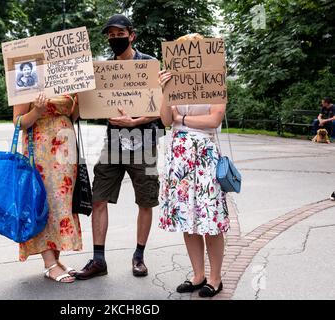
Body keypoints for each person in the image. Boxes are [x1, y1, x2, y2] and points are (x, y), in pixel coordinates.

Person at [74, 14, 162, 280]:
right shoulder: (103, 70)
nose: (115, 39)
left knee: (145, 200)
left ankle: (139, 257)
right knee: (99, 197)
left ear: (131, 35)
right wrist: (80, 92)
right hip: (112, 143)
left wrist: (135, 121)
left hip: (144, 143)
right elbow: (88, 108)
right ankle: (98, 259)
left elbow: (160, 108)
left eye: (119, 34)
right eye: (110, 35)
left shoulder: (149, 65)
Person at [157, 33, 230, 298]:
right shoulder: (173, 82)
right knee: (187, 218)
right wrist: (164, 91)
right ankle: (198, 274)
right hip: (179, 157)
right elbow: (166, 119)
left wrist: (183, 118)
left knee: (209, 218)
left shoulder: (215, 79)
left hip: (205, 155)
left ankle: (215, 277)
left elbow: (214, 120)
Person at [13, 92, 82, 283]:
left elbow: (72, 116)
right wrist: (37, 110)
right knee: (42, 202)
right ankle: (50, 263)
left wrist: (81, 98)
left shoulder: (65, 72)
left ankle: (57, 260)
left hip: (66, 146)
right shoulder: (27, 78)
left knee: (62, 203)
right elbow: (18, 122)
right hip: (41, 148)